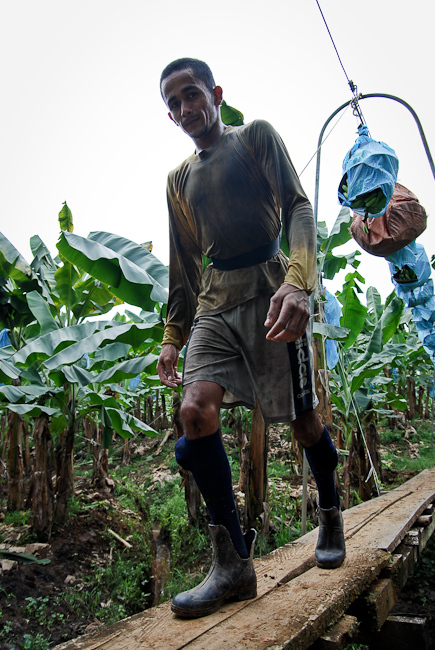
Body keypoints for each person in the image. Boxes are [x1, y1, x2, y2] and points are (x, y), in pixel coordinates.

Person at [157, 57, 345, 619]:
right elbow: (184, 262)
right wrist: (172, 333)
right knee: (194, 411)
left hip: (270, 286)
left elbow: (298, 207)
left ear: (215, 93)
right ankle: (233, 565)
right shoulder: (178, 179)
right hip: (215, 301)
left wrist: (298, 282)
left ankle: (331, 512)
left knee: (304, 422)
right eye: (173, 105)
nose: (185, 110)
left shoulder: (255, 137)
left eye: (191, 95)